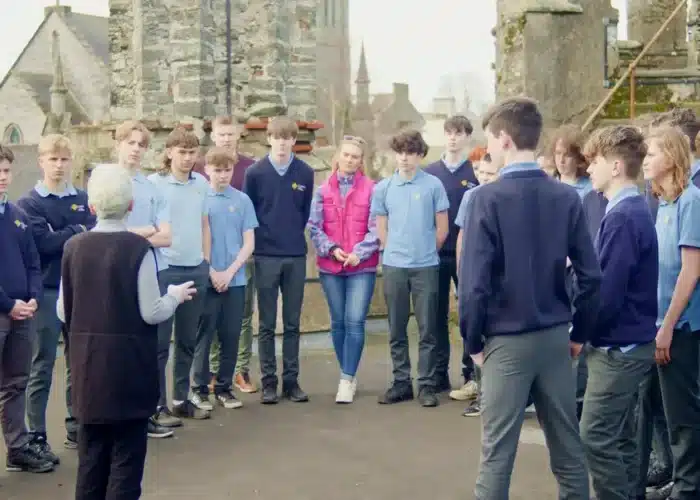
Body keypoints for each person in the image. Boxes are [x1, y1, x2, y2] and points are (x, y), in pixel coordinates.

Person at [459, 97, 601, 499]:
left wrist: (472, 344)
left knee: (497, 456)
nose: (488, 149)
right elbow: (591, 276)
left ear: (504, 139)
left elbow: (473, 286)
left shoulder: (485, 199)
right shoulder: (567, 197)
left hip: (505, 341)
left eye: (489, 140)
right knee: (569, 453)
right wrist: (579, 334)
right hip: (556, 337)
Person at [56, 164, 195, 500]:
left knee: (90, 462)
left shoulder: (73, 247)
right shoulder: (137, 250)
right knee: (126, 463)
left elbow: (63, 309)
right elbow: (152, 311)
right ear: (131, 206)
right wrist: (175, 296)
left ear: (91, 206)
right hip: (129, 373)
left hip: (88, 371)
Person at [579, 125, 658, 500]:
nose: (587, 167)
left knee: (594, 435)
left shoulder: (623, 216)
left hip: (619, 349)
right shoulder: (630, 209)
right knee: (621, 437)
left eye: (593, 161)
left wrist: (580, 334)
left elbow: (607, 294)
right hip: (629, 344)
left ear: (614, 166)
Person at [17, 134, 96, 461]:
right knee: (42, 363)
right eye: (53, 159)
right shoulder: (29, 203)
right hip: (48, 292)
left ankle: (76, 423)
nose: (59, 165)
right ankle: (35, 433)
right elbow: (44, 245)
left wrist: (64, 233)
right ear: (41, 161)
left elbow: (92, 230)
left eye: (64, 159)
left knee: (79, 361)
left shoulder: (82, 196)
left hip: (78, 288)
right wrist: (75, 232)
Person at [641, 126, 700, 500]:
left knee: (682, 415)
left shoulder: (691, 200)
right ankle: (679, 481)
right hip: (658, 323)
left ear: (672, 158)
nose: (645, 159)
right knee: (658, 411)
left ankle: (689, 490)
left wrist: (667, 327)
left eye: (652, 153)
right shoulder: (663, 203)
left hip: (680, 327)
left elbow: (691, 270)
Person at [371, 129, 449, 408]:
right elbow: (381, 227)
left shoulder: (433, 186)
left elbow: (442, 229)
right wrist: (393, 251)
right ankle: (401, 382)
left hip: (426, 267)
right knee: (396, 328)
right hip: (394, 267)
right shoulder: (383, 188)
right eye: (401, 153)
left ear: (420, 155)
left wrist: (425, 252)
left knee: (428, 328)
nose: (405, 158)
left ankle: (426, 384)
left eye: (411, 153)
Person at [108, 120, 174, 438]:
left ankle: (145, 414)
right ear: (119, 144)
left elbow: (166, 237)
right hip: (113, 273)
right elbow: (102, 231)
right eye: (131, 142)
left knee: (147, 346)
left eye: (142, 145)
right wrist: (145, 232)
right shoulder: (105, 181)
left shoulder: (152, 189)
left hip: (148, 271)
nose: (136, 149)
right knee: (115, 345)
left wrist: (132, 235)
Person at [243, 116, 314, 404]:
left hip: (295, 255)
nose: (282, 143)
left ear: (294, 141)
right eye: (277, 137)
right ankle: (269, 381)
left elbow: (304, 212)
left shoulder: (305, 173)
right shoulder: (255, 173)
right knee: (268, 323)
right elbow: (250, 215)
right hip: (265, 255)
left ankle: (291, 381)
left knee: (294, 323)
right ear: (269, 139)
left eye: (288, 138)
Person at [308, 135, 380, 403]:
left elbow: (377, 227)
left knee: (355, 321)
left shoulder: (372, 189)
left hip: (361, 266)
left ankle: (347, 378)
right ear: (337, 157)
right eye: (346, 155)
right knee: (338, 322)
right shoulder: (322, 190)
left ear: (362, 161)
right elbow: (314, 227)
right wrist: (331, 249)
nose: (350, 160)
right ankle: (346, 371)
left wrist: (359, 253)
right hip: (331, 266)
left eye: (356, 156)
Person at [148, 127, 211, 423]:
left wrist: (206, 263)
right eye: (182, 152)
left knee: (188, 339)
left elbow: (204, 224)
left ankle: (180, 400)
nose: (187, 159)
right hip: (166, 270)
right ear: (169, 152)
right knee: (160, 343)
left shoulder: (202, 183)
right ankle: (157, 404)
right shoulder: (154, 184)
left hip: (195, 267)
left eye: (192, 153)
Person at [194, 116, 259, 394]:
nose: (222, 174)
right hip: (208, 269)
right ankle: (207, 377)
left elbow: (249, 235)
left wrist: (232, 270)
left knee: (238, 324)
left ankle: (233, 376)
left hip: (237, 267)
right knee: (207, 327)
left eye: (231, 133)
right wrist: (212, 271)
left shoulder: (247, 181)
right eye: (222, 133)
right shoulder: (198, 186)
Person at [0, 144, 52, 474]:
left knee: (16, 382)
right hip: (3, 311)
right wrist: (8, 304)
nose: (3, 177)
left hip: (22, 314)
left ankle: (17, 449)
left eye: (6, 171)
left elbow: (33, 263)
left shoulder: (17, 216)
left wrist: (32, 297)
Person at [424, 116, 479, 395]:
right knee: (436, 314)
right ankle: (438, 373)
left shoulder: (477, 171)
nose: (453, 138)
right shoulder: (430, 172)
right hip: (435, 252)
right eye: (449, 133)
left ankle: (471, 372)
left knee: (469, 312)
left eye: (459, 133)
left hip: (467, 253)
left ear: (468, 137)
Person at [453, 151, 501, 417]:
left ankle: (490, 396)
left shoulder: (502, 199)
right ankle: (480, 393)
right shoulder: (470, 197)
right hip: (473, 275)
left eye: (490, 173)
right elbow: (462, 235)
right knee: (474, 332)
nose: (484, 178)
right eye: (481, 172)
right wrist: (462, 270)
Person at [552, 124, 593, 199]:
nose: (561, 160)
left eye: (567, 155)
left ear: (579, 158)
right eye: (558, 153)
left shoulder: (590, 190)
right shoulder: (547, 186)